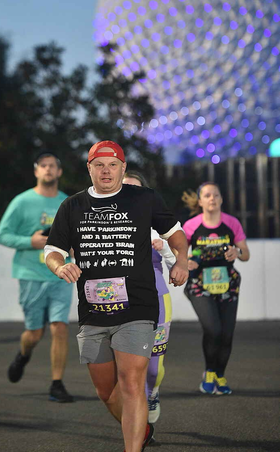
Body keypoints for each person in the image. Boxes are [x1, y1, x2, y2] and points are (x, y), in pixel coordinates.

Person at [44, 141, 188, 452]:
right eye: (99, 165)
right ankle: (142, 429)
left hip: (137, 307)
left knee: (132, 383)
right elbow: (52, 251)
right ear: (89, 169)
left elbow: (175, 234)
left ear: (123, 168)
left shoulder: (144, 198)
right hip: (93, 311)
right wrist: (60, 267)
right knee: (105, 391)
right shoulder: (72, 206)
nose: (106, 170)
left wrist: (182, 259)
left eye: (112, 165)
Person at [0, 151, 74, 403]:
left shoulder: (68, 203)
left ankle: (56, 383)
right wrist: (30, 241)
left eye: (53, 165)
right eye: (43, 165)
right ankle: (23, 354)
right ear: (36, 171)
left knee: (59, 327)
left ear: (59, 172)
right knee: (35, 333)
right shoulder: (22, 201)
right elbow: (3, 235)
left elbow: (77, 238)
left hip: (61, 274)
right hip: (31, 274)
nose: (48, 169)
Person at [182, 182, 250, 395]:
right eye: (207, 195)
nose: (212, 198)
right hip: (200, 284)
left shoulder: (232, 223)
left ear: (221, 199)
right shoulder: (190, 226)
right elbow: (179, 254)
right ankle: (209, 373)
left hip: (227, 283)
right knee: (214, 330)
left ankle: (219, 374)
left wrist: (236, 253)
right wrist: (187, 262)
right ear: (200, 201)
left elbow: (246, 254)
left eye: (216, 195)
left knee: (227, 334)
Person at [122, 171, 176, 430]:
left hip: (156, 299)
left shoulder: (159, 223)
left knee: (153, 370)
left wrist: (163, 247)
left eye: (136, 189)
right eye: (125, 188)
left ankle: (152, 394)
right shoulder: (102, 223)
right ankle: (138, 427)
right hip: (121, 303)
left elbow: (177, 264)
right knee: (128, 370)